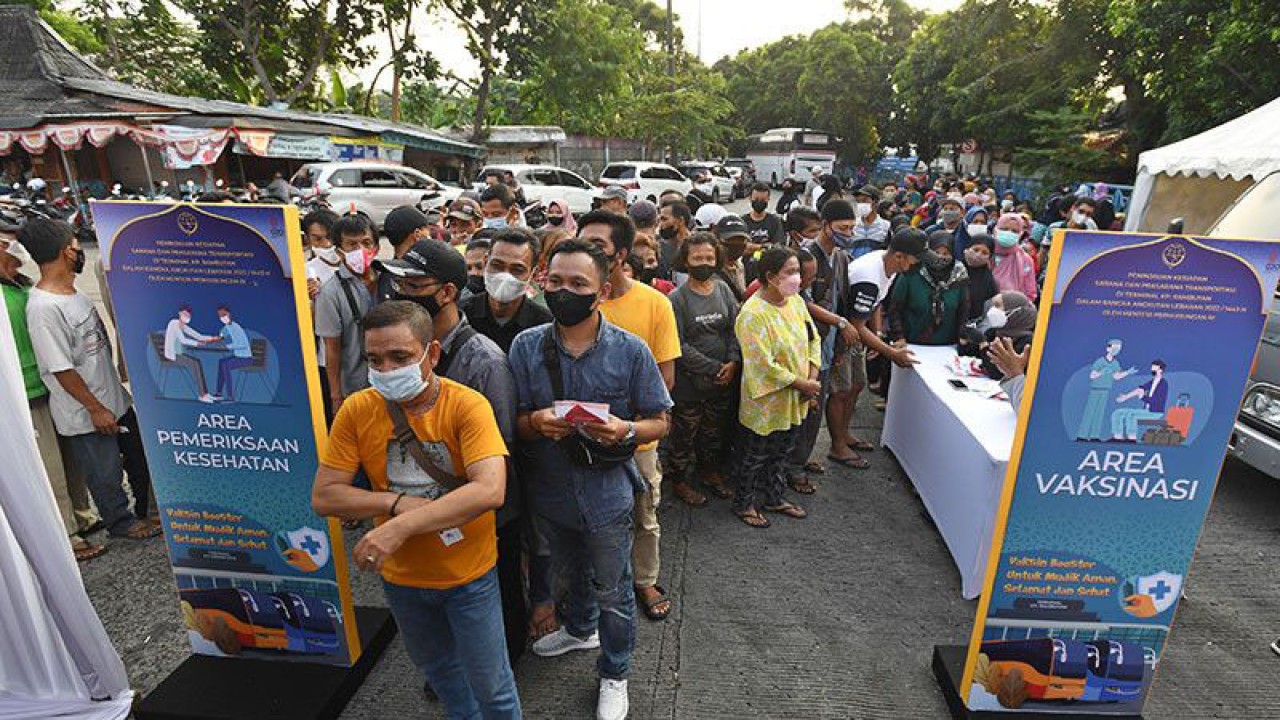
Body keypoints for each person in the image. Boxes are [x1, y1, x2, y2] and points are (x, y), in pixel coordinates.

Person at [311, 301, 519, 718]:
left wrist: (396, 527)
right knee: (441, 673)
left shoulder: (467, 405)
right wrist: (395, 504)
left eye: (400, 357)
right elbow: (325, 496)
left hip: (468, 576)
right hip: (401, 579)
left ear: (433, 353)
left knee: (492, 685)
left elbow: (490, 490)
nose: (386, 369)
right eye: (374, 359)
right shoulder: (357, 409)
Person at [512, 240, 672, 720]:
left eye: (578, 284)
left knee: (614, 587)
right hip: (552, 490)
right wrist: (538, 421)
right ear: (543, 282)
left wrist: (625, 429)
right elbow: (514, 421)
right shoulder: (526, 347)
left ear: (601, 291)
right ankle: (580, 629)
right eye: (556, 282)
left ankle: (615, 673)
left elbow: (660, 421)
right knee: (568, 572)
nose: (565, 292)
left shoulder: (630, 351)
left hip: (606, 492)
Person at [377, 239, 528, 667]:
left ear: (446, 293)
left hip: (484, 511)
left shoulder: (485, 362)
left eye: (415, 284)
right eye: (400, 282)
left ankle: (504, 668)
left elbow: (500, 450)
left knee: (496, 598)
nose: (402, 291)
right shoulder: (400, 356)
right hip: (423, 506)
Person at [23, 218, 161, 542]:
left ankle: (145, 512)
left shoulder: (73, 294)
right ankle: (120, 522)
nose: (78, 251)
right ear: (65, 252)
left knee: (140, 459)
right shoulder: (43, 308)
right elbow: (61, 368)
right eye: (75, 245)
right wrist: (95, 408)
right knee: (105, 472)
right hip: (85, 413)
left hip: (115, 398)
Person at [581, 210, 681, 624]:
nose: (585, 251)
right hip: (577, 433)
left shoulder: (655, 304)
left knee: (643, 511)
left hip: (636, 435)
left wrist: (628, 428)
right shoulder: (573, 300)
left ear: (621, 255)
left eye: (597, 246)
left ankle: (644, 578)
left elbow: (665, 378)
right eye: (581, 241)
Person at [2, 233, 104, 560]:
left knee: (70, 459)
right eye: (7, 240)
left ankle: (82, 514)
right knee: (50, 467)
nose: (16, 245)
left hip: (50, 386)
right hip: (24, 391)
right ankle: (67, 534)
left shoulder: (22, 282)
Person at [732, 246, 820, 528]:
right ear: (770, 276)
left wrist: (812, 377)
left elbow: (812, 338)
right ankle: (743, 503)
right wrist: (803, 383)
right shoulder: (753, 313)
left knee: (782, 452)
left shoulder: (794, 301)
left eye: (797, 271)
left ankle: (774, 497)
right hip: (766, 401)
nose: (797, 277)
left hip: (797, 396)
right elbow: (762, 366)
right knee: (755, 455)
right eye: (790, 272)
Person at [665, 232, 740, 506]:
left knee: (713, 431)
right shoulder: (677, 298)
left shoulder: (722, 288)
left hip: (722, 380)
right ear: (685, 261)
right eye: (697, 258)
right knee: (684, 434)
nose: (704, 262)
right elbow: (678, 344)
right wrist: (713, 367)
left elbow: (735, 326)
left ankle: (709, 472)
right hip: (690, 383)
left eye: (709, 257)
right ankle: (680, 481)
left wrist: (732, 362)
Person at [316, 214, 379, 417]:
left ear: (376, 247)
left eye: (366, 242)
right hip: (355, 386)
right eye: (352, 244)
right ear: (339, 252)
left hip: (394, 384)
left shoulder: (390, 280)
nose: (360, 250)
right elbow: (331, 349)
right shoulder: (330, 293)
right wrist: (336, 396)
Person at [462, 227, 552, 353]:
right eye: (497, 266)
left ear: (533, 273)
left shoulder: (545, 326)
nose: (505, 276)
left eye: (517, 270)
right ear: (485, 262)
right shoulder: (461, 314)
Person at [887, 231, 970, 345]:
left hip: (947, 347)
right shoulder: (911, 271)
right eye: (936, 252)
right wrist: (899, 337)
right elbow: (895, 309)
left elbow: (964, 309)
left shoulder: (959, 275)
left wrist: (962, 335)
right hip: (912, 344)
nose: (941, 257)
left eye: (946, 253)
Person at [959, 291, 1037, 380]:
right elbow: (969, 356)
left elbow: (997, 373)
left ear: (1016, 312)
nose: (992, 310)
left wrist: (983, 344)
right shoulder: (995, 332)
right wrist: (964, 340)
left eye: (998, 306)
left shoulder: (1027, 342)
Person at [163, 304, 218, 402]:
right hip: (172, 356)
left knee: (197, 362)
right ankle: (202, 395)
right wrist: (197, 344)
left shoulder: (183, 326)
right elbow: (183, 340)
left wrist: (212, 338)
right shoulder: (174, 323)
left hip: (179, 355)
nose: (186, 317)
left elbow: (198, 336)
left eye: (188, 316)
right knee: (195, 364)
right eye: (185, 314)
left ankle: (205, 393)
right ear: (179, 313)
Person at [1111, 360, 1169, 442]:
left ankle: (1132, 439)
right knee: (1118, 412)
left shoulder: (1163, 384)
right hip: (1146, 411)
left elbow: (1157, 401)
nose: (1151, 369)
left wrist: (1143, 397)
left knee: (1131, 415)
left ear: (1160, 370)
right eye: (1151, 367)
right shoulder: (1152, 381)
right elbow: (1139, 389)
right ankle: (1117, 437)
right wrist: (1125, 397)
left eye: (1154, 368)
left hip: (1155, 412)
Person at [991, 214, 1039, 302]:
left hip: (1013, 310)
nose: (1009, 233)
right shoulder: (985, 252)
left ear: (1020, 234)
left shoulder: (1025, 260)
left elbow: (1030, 293)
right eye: (1004, 229)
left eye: (1014, 231)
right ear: (996, 230)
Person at [211, 305, 254, 402]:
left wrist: (226, 346)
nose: (222, 317)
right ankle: (219, 393)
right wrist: (218, 337)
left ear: (229, 314)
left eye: (223, 314)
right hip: (238, 357)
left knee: (226, 365)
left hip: (246, 359)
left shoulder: (236, 327)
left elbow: (241, 344)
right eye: (220, 316)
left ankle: (230, 397)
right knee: (221, 362)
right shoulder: (228, 326)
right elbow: (223, 333)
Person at [962, 234, 999, 321]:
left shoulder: (989, 281)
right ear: (967, 248)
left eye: (984, 253)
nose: (978, 255)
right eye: (976, 250)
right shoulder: (953, 269)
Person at [847, 185, 891, 259]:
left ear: (876, 202)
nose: (861, 204)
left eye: (864, 200)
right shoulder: (852, 225)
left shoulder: (886, 226)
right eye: (858, 201)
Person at [656, 201, 693, 280]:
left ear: (680, 221)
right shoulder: (659, 247)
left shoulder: (697, 246)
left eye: (664, 219)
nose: (660, 225)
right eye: (659, 220)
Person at [742, 182, 784, 248]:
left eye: (763, 200)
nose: (759, 202)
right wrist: (763, 246)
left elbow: (777, 246)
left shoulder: (775, 221)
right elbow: (742, 248)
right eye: (756, 199)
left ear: (768, 200)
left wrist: (752, 247)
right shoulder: (742, 221)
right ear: (750, 198)